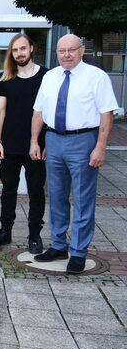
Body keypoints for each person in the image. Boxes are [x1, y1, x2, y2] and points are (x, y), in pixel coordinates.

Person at [30, 34, 118, 274]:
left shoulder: (96, 77)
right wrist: (34, 142)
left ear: (81, 51)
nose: (66, 55)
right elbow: (39, 111)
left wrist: (100, 146)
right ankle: (59, 244)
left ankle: (78, 251)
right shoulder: (50, 77)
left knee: (82, 198)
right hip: (54, 140)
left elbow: (106, 114)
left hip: (83, 141)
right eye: (62, 50)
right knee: (56, 196)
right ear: (56, 53)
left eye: (71, 50)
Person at [0, 34, 48, 254]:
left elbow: (49, 111)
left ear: (32, 48)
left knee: (36, 192)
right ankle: (5, 232)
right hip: (9, 145)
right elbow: (0, 111)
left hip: (36, 146)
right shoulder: (5, 77)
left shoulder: (46, 76)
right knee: (8, 190)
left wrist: (46, 141)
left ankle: (34, 236)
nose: (19, 53)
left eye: (23, 48)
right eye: (14, 50)